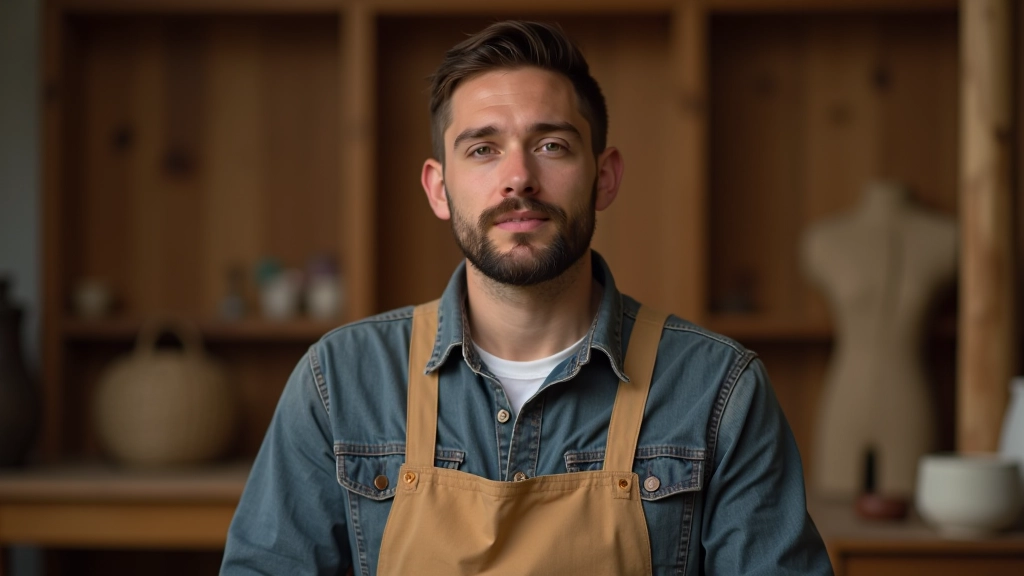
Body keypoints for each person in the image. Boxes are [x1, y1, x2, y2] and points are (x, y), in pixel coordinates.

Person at [221, 21, 832, 576]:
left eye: (552, 145)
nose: (519, 177)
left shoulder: (718, 390)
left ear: (605, 176)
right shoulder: (340, 382)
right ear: (439, 188)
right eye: (483, 149)